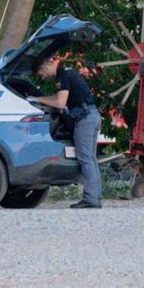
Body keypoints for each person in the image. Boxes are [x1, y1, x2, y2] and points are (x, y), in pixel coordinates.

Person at [34, 54, 102, 209]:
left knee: (85, 158)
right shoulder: (67, 73)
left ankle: (91, 200)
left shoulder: (62, 75)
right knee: (90, 158)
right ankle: (94, 198)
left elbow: (60, 102)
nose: (43, 77)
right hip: (91, 115)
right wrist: (42, 98)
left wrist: (38, 100)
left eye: (41, 74)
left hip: (85, 119)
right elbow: (59, 98)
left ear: (45, 66)